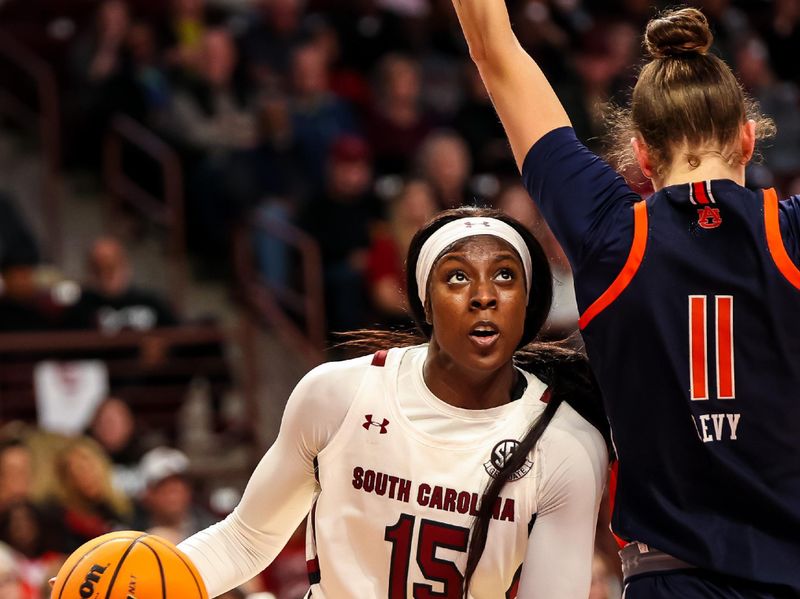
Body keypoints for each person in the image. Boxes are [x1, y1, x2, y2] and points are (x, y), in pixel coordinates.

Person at [451, 2, 800, 596]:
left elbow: (495, 51)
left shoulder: (610, 234)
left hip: (669, 581)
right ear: (746, 138)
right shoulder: (790, 236)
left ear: (641, 154)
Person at [175, 207, 609, 598]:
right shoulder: (337, 394)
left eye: (504, 276)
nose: (484, 296)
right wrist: (150, 580)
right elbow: (244, 540)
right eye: (457, 276)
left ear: (527, 302)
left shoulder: (566, 445)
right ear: (425, 299)